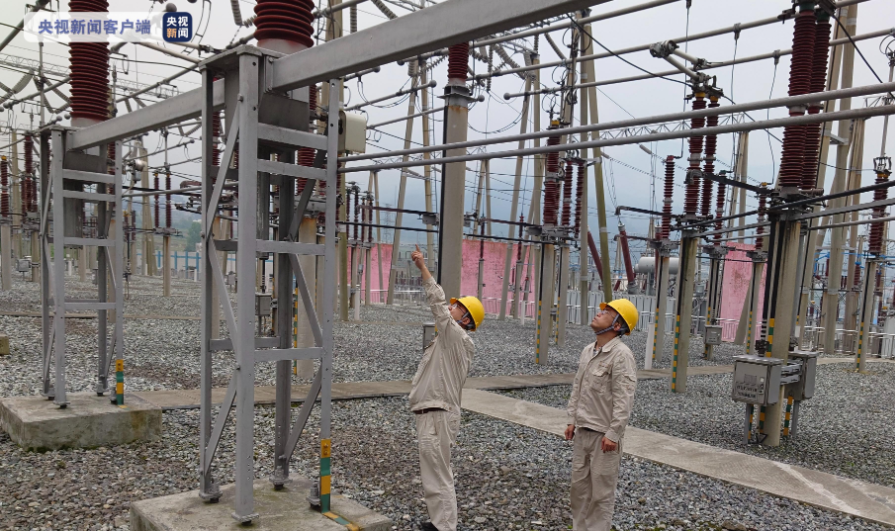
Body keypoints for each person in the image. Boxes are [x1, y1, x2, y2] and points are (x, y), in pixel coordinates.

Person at [409, 244, 484, 531]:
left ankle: (446, 528)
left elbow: (438, 304)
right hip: (432, 412)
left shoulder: (457, 338)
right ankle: (439, 523)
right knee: (434, 473)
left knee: (439, 475)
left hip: (438, 414)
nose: (450, 308)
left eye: (457, 307)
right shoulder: (448, 340)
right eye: (454, 305)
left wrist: (424, 269)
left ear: (465, 318)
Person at [565, 299, 639, 531]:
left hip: (604, 438)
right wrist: (572, 420)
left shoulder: (621, 355)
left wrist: (614, 433)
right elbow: (578, 387)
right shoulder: (589, 350)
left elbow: (624, 398)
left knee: (601, 494)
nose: (599, 314)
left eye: (607, 312)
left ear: (617, 325)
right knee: (578, 490)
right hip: (583, 430)